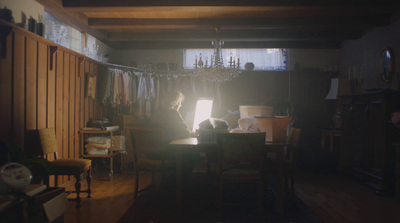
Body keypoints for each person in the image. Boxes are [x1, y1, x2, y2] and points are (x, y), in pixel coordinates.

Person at [150, 90, 200, 175]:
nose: (181, 105)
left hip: (151, 153)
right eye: (180, 103)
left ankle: (171, 179)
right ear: (176, 103)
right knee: (193, 155)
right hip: (165, 153)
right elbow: (186, 133)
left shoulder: (156, 113)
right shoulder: (173, 113)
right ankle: (177, 181)